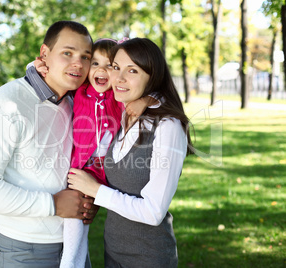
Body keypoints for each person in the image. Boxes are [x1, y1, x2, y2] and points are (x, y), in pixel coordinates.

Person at [0, 21, 98, 268]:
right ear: (45, 54)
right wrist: (54, 204)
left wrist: (89, 201)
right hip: (24, 249)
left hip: (74, 244)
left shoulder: (76, 101)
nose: (78, 63)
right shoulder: (6, 103)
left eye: (85, 56)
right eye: (67, 53)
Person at [67, 37, 194, 267]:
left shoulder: (168, 127)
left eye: (132, 70)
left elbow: (154, 212)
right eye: (116, 67)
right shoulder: (125, 112)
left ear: (152, 75)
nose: (118, 78)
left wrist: (96, 190)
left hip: (148, 257)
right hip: (113, 253)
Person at [34, 38, 160, 268]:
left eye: (109, 65)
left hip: (106, 171)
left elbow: (158, 94)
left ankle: (71, 263)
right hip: (82, 168)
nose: (101, 70)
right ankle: (71, 263)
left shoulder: (118, 97)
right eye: (94, 63)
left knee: (81, 216)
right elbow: (57, 75)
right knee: (77, 220)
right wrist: (36, 66)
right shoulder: (80, 92)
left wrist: (144, 101)